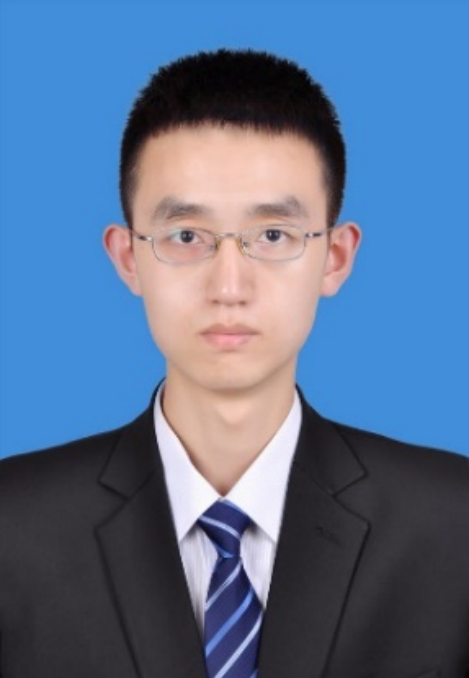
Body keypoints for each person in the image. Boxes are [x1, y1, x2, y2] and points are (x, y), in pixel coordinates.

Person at [0, 49, 468, 678]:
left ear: (334, 257)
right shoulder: (11, 528)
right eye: (186, 236)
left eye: (272, 235)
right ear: (128, 257)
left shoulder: (455, 525)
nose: (228, 287)